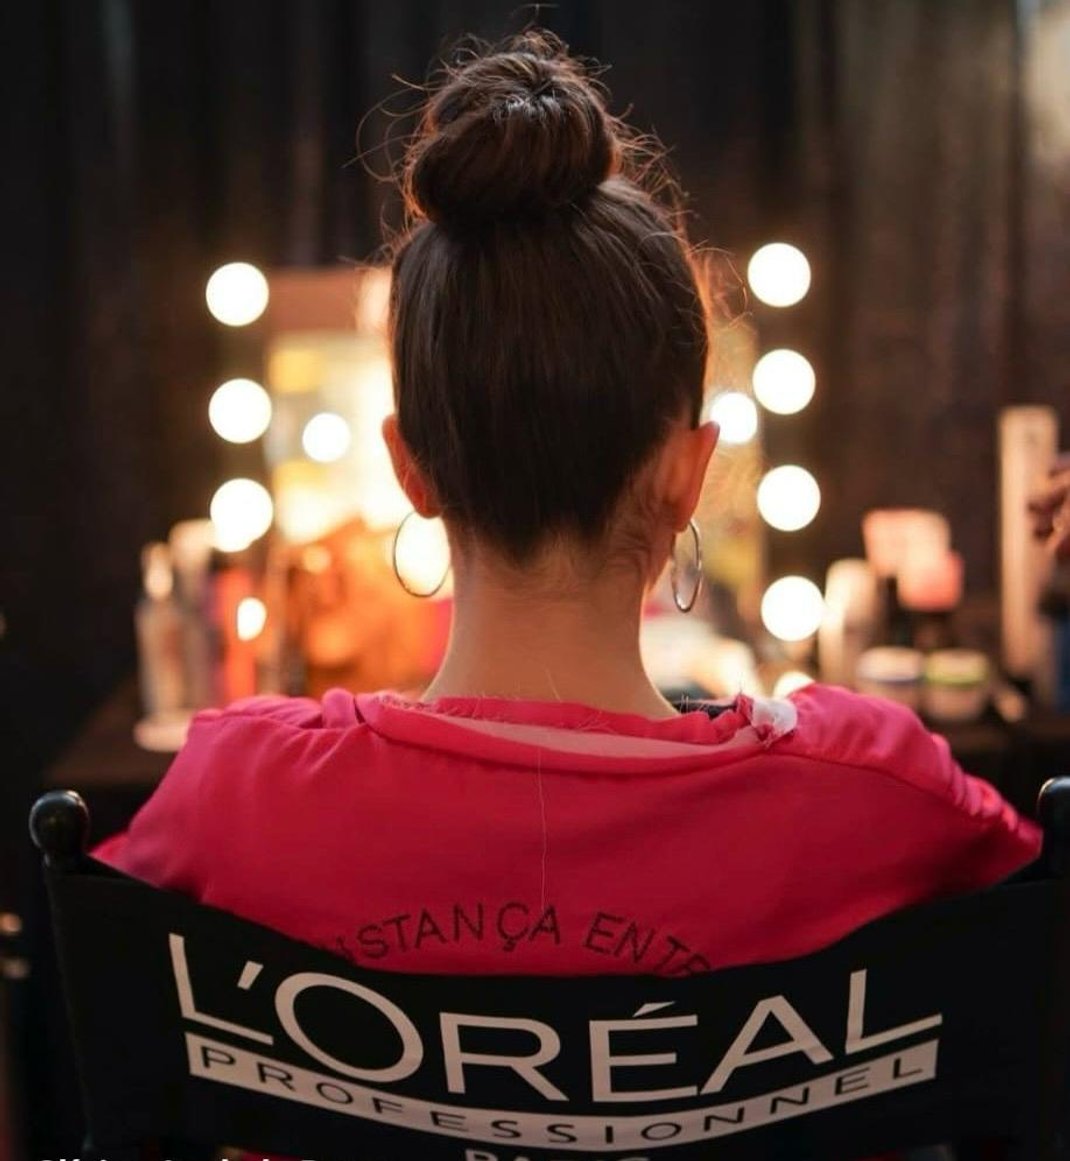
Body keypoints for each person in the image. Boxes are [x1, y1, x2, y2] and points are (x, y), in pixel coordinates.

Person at [96, 37, 1037, 1156]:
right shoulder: (881, 796)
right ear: (687, 473)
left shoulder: (236, 797)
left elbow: (103, 998)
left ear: (409, 468)